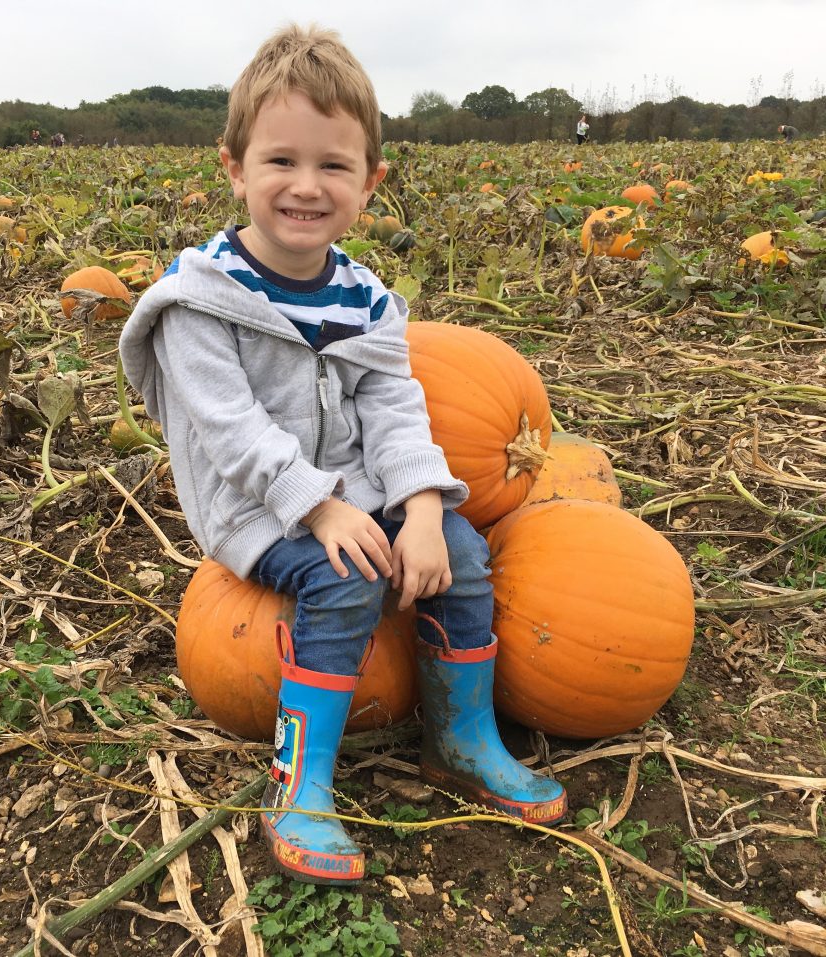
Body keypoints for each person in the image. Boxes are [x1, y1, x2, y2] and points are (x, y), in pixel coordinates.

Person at [118, 24, 567, 885]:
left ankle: (462, 741)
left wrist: (427, 509)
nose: (306, 186)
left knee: (467, 556)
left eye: (334, 166)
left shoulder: (366, 299)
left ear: (371, 182)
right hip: (257, 502)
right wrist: (321, 508)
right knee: (347, 574)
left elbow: (396, 407)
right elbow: (231, 429)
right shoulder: (200, 302)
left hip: (357, 485)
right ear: (234, 167)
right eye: (281, 160)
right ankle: (300, 781)